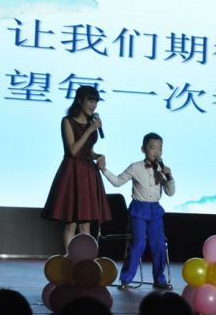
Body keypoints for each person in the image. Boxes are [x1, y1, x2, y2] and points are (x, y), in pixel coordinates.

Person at [98, 132, 175, 290]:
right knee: (139, 243)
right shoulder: (136, 167)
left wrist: (169, 176)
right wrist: (103, 169)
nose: (157, 152)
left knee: (158, 244)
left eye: (160, 148)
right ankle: (126, 279)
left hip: (155, 210)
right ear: (143, 149)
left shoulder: (162, 170)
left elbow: (170, 192)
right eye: (153, 148)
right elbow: (117, 182)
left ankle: (159, 279)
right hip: (139, 209)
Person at [42, 85, 112, 250]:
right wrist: (89, 130)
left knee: (85, 224)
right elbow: (73, 150)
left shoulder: (91, 123)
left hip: (88, 173)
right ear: (79, 101)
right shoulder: (68, 121)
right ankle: (69, 259)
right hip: (72, 172)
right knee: (71, 223)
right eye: (90, 101)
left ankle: (85, 259)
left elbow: (88, 150)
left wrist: (99, 155)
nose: (93, 106)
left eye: (95, 102)